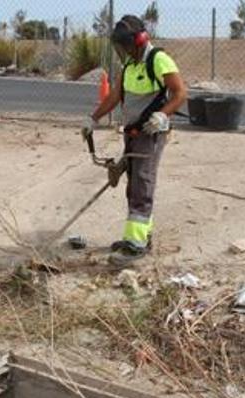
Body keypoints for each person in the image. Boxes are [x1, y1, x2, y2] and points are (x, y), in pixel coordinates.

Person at [83, 14, 187, 266]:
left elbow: (181, 92)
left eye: (125, 46)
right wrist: (93, 119)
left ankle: (136, 245)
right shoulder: (129, 66)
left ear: (139, 40)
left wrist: (163, 115)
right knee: (134, 184)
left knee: (142, 182)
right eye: (119, 47)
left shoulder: (158, 59)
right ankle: (139, 237)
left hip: (151, 133)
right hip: (132, 133)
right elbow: (114, 97)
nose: (122, 51)